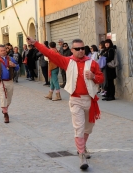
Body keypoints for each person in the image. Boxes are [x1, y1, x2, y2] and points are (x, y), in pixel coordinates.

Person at [27, 37, 104, 170]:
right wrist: (35, 43)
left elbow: (101, 78)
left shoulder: (92, 63)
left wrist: (94, 77)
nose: (81, 51)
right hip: (75, 100)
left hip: (90, 100)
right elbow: (50, 53)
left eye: (82, 48)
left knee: (88, 128)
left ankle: (82, 147)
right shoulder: (67, 61)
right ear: (72, 50)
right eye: (77, 49)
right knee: (79, 127)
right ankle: (81, 155)